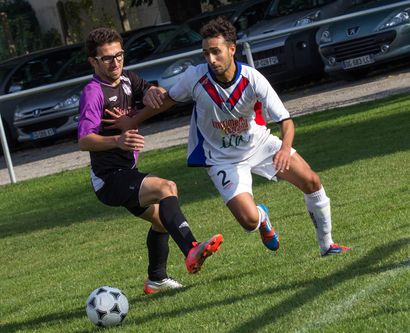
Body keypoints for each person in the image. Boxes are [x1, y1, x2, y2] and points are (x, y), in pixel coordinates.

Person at [103, 18, 355, 257]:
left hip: (260, 145)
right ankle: (262, 217)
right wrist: (132, 121)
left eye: (216, 51)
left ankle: (327, 245)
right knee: (249, 223)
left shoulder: (252, 79)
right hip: (223, 160)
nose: (211, 59)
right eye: (206, 53)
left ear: (232, 49)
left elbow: (285, 120)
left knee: (312, 181)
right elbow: (168, 99)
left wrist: (284, 148)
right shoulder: (195, 77)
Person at [77, 28, 223, 295]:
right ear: (93, 61)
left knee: (161, 221)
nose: (115, 62)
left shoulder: (127, 79)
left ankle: (156, 278)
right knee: (166, 187)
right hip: (109, 179)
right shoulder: (93, 93)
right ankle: (192, 250)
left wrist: (152, 92)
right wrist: (116, 141)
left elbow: (149, 91)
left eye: (119, 55)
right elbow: (84, 140)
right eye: (107, 58)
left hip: (124, 173)